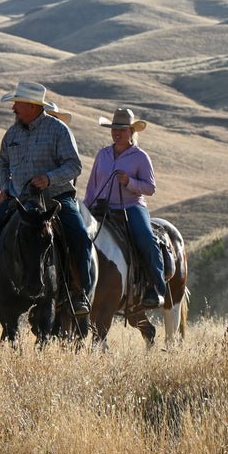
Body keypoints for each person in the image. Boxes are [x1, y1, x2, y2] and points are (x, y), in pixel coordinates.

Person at [0, 81, 93, 316]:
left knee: (80, 236)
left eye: (18, 104)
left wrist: (49, 178)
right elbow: (3, 163)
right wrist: (6, 187)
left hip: (56, 199)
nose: (13, 108)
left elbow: (74, 165)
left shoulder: (58, 130)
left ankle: (79, 293)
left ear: (33, 107)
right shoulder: (11, 133)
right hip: (19, 200)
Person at [83, 108, 168, 308]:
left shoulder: (140, 157)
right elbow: (92, 186)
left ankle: (155, 287)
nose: (117, 133)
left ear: (131, 132)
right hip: (101, 207)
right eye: (114, 129)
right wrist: (86, 209)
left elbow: (150, 188)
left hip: (131, 206)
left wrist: (129, 181)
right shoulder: (103, 154)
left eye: (122, 129)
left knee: (146, 238)